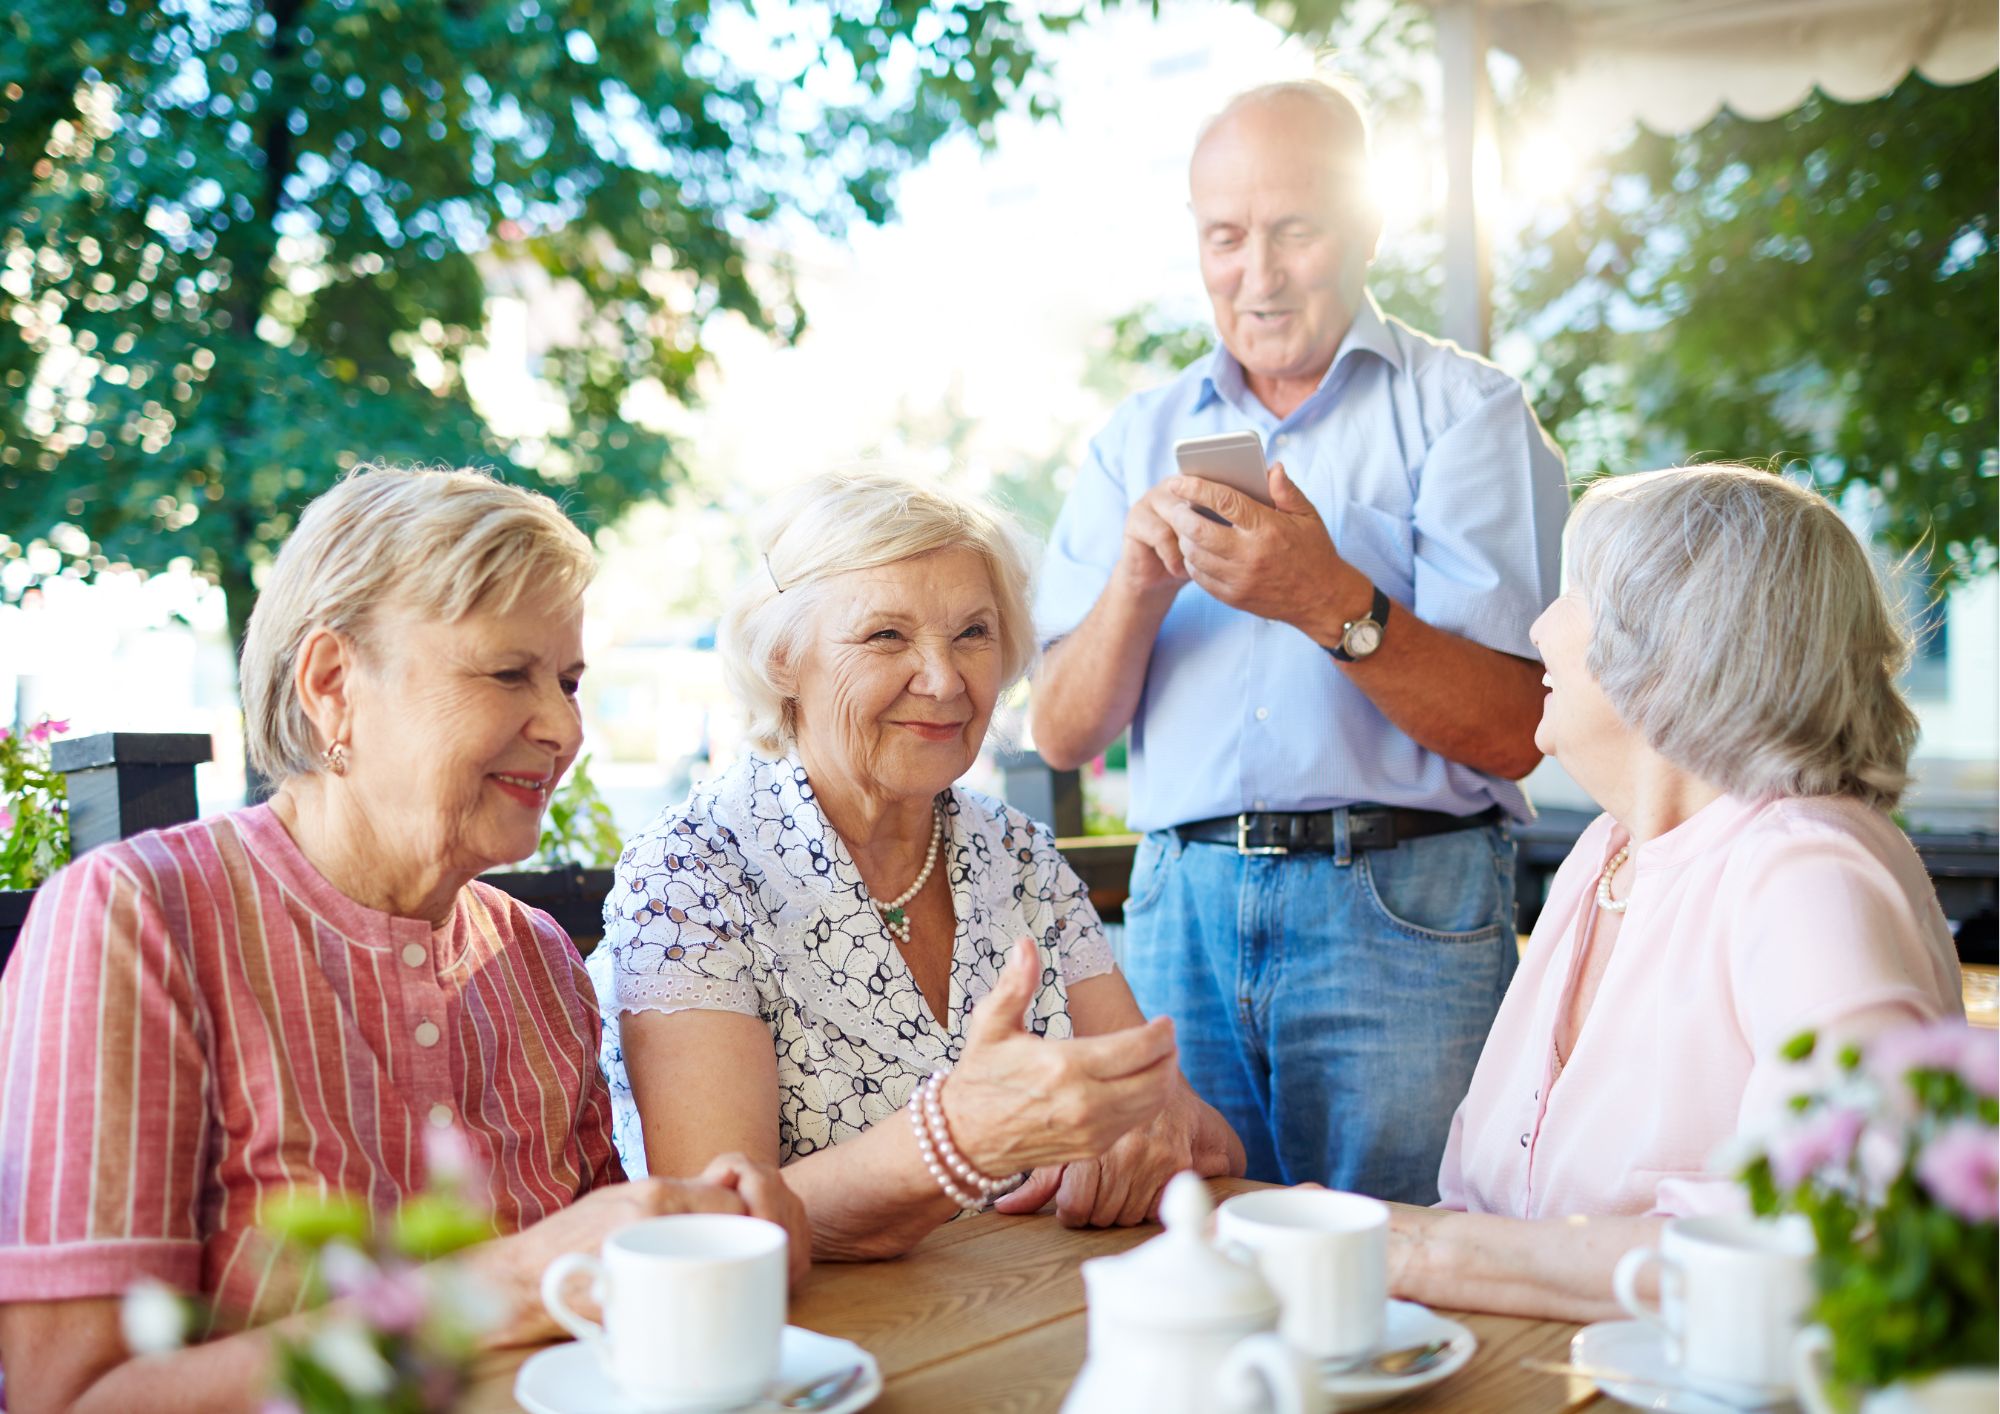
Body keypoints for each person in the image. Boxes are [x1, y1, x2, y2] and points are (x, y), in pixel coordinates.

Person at [0, 467, 807, 1413]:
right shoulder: (137, 918)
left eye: (568, 681)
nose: (563, 727)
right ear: (333, 684)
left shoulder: (537, 956)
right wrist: (501, 1287)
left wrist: (709, 1234)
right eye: (508, 673)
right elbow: (71, 1396)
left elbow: (599, 1289)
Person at [1031, 78, 1570, 1199]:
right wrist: (1136, 582)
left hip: (1399, 905)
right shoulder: (1135, 436)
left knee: (1407, 1258)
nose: (1258, 274)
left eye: (1295, 230)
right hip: (1179, 909)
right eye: (1225, 236)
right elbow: (1062, 733)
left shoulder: (1468, 412)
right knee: (1184, 1242)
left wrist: (1330, 601)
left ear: (1367, 228)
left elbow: (1517, 730)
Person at [591, 470, 1245, 1259]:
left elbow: (1190, 1132)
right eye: (886, 636)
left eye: (972, 633)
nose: (942, 680)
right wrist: (958, 1139)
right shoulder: (692, 875)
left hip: (1039, 1306)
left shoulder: (1019, 854)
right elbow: (715, 1222)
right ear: (784, 658)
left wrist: (1154, 1137)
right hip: (822, 1331)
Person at [1384, 465, 1964, 1319]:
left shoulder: (1806, 871)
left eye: (1577, 593)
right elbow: (1485, 1202)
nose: (1541, 627)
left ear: (1674, 645)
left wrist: (1429, 1255)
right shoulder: (1605, 854)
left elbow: (1857, 1230)